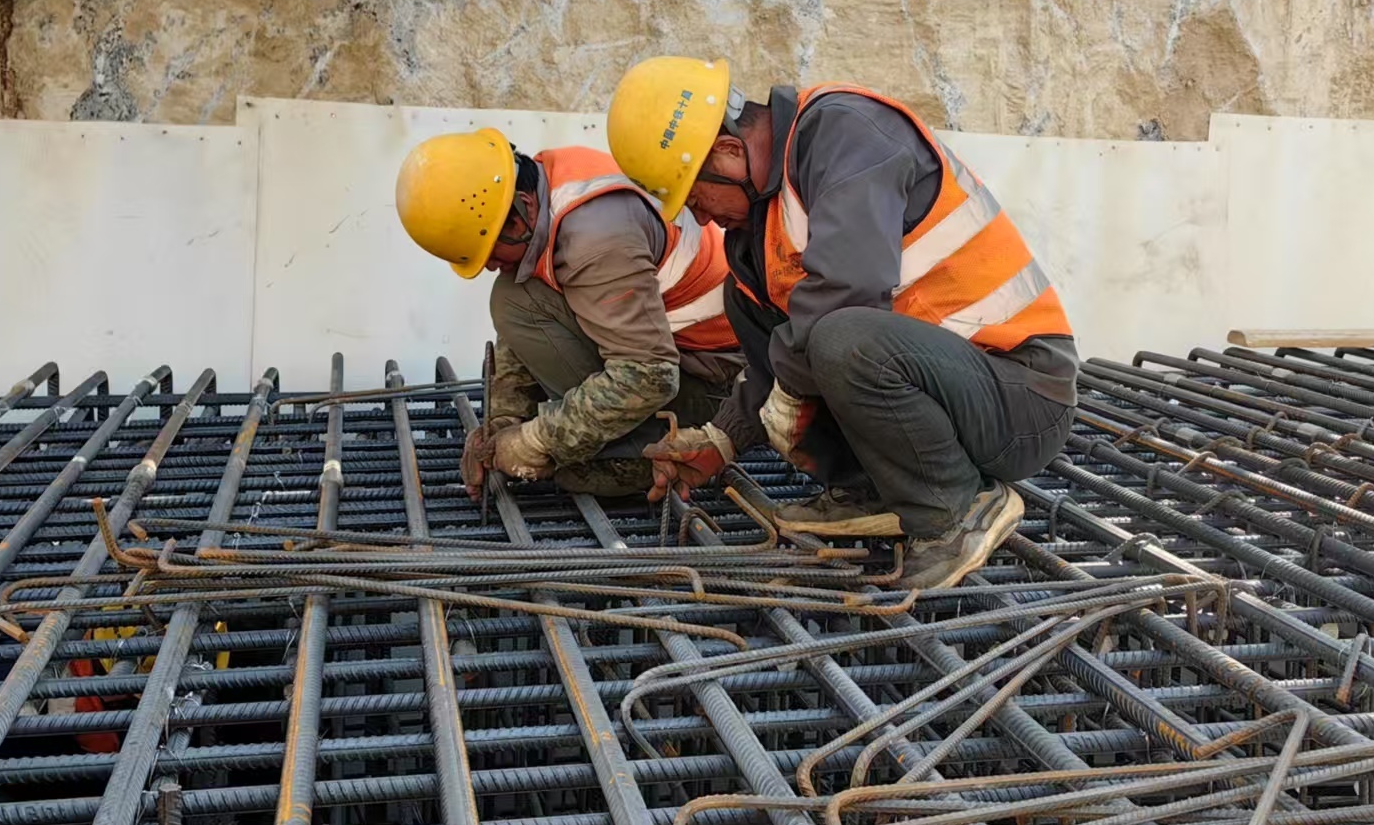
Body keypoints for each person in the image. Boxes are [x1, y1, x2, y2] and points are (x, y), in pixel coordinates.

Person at [604, 57, 1077, 588]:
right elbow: (774, 355)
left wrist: (789, 387)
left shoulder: (844, 133)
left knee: (839, 336)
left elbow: (850, 290)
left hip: (1020, 394)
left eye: (694, 196)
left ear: (729, 152)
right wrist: (722, 438)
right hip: (947, 393)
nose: (701, 217)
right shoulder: (759, 226)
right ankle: (868, 487)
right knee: (753, 306)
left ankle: (956, 509)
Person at [395, 128, 743, 498]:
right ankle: (612, 440)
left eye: (491, 253)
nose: (492, 266)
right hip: (674, 353)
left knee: (514, 300)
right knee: (515, 295)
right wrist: (503, 419)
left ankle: (639, 452)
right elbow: (528, 315)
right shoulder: (545, 182)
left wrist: (536, 442)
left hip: (711, 386)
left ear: (522, 213)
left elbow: (649, 375)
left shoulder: (595, 238)